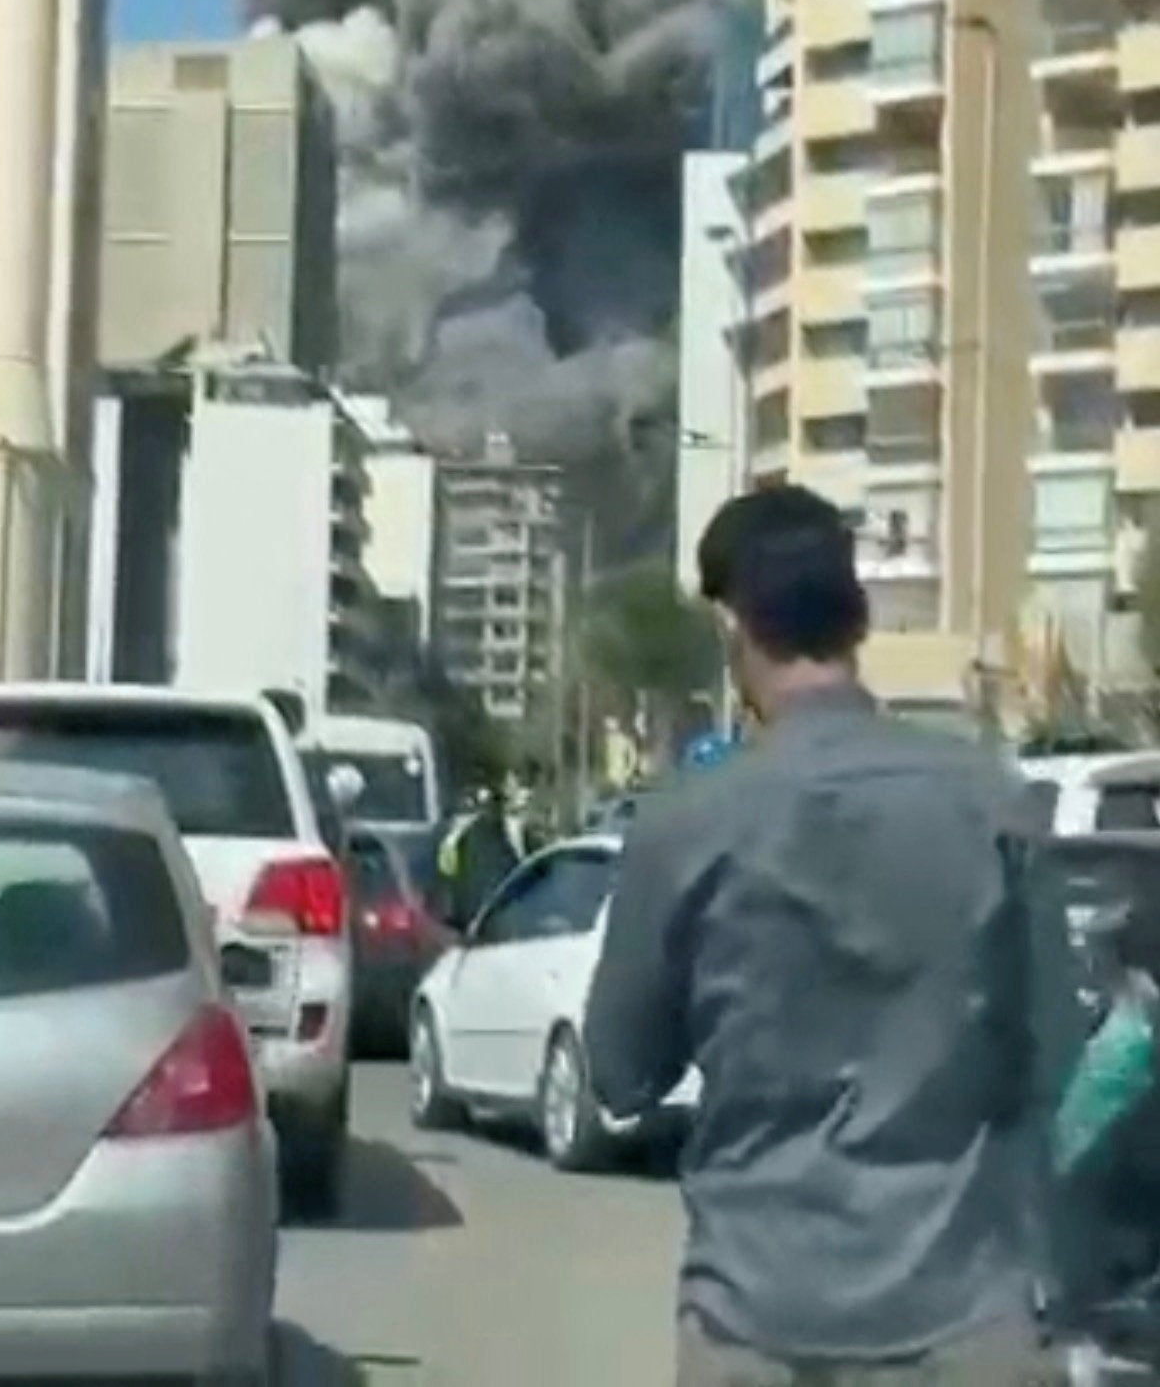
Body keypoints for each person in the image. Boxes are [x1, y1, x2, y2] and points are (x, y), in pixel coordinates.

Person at [584, 484, 1076, 1387]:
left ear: (734, 627)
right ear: (855, 620)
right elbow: (1056, 1054)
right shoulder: (993, 800)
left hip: (758, 1319)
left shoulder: (686, 825)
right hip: (966, 1316)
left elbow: (619, 1071)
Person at [436, 782, 519, 932]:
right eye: (492, 806)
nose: (496, 811)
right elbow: (453, 876)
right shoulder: (474, 836)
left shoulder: (501, 833)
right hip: (481, 913)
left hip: (492, 911)